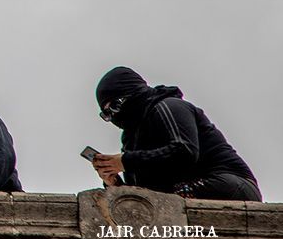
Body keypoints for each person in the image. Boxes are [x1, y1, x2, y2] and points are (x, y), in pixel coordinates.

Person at [91, 66, 260, 201]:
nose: (114, 115)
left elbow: (184, 152)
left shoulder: (169, 106)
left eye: (115, 105)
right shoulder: (131, 138)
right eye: (107, 114)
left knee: (166, 201)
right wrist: (114, 183)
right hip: (185, 192)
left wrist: (126, 161)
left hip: (231, 184)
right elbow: (140, 192)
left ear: (133, 93)